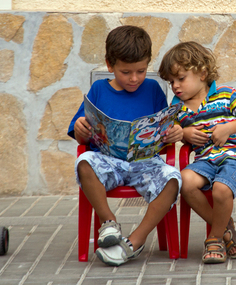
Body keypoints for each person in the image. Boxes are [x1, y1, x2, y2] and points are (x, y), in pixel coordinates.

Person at [67, 25, 183, 266]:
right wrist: (81, 129)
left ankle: (134, 242)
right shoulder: (99, 89)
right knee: (84, 162)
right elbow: (82, 137)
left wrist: (173, 132)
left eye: (141, 71)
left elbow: (164, 125)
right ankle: (108, 223)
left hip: (145, 163)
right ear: (110, 65)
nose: (134, 78)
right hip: (108, 161)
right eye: (126, 72)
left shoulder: (152, 89)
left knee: (173, 178)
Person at [158, 41, 236, 264]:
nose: (175, 86)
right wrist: (184, 133)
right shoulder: (177, 108)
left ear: (202, 73)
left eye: (181, 78)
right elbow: (170, 131)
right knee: (183, 181)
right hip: (206, 161)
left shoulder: (226, 94)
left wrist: (229, 128)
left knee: (221, 188)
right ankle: (226, 230)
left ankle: (215, 237)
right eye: (171, 81)